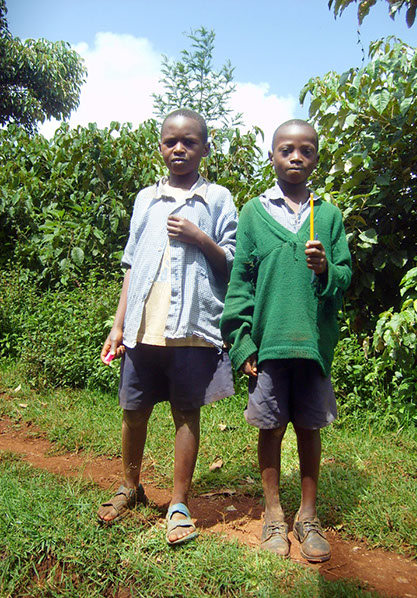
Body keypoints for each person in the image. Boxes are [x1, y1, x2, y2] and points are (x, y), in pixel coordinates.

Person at [97, 109, 237, 546]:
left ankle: (178, 503)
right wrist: (118, 326)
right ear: (160, 146)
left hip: (193, 324)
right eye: (170, 141)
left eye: (189, 142)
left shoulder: (218, 199)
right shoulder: (146, 199)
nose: (179, 149)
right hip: (144, 323)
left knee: (185, 412)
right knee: (134, 409)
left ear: (205, 149)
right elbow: (130, 265)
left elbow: (231, 263)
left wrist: (200, 238)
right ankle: (129, 486)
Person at [220, 119, 351, 561]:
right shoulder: (253, 214)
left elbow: (347, 276)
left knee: (309, 428)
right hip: (268, 344)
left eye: (306, 150)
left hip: (312, 346)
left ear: (316, 157)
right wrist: (240, 341)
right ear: (272, 156)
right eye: (286, 150)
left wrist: (325, 269)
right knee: (271, 427)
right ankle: (273, 513)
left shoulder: (328, 216)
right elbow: (240, 283)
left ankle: (307, 515)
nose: (296, 157)